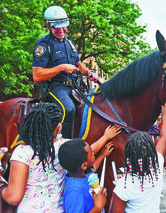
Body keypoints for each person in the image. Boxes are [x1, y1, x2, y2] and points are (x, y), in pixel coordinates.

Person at [0, 103, 121, 212]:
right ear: (58, 127)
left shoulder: (22, 153)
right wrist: (105, 137)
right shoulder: (64, 147)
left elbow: (13, 197)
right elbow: (87, 151)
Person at [32, 5, 98, 139]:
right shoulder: (43, 45)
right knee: (69, 109)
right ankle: (64, 144)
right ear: (48, 25)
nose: (62, 30)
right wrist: (62, 67)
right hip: (56, 87)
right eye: (57, 27)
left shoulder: (70, 43)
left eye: (64, 26)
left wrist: (89, 72)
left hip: (75, 86)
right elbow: (37, 75)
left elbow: (79, 65)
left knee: (95, 105)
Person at [108, 97, 166, 213]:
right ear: (152, 153)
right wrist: (165, 115)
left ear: (128, 156)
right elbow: (163, 136)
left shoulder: (123, 185)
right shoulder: (157, 166)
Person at [58, 138, 114, 213]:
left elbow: (93, 168)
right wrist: (98, 208)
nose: (93, 153)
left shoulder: (79, 174)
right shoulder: (74, 192)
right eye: (91, 153)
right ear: (84, 166)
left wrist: (102, 156)